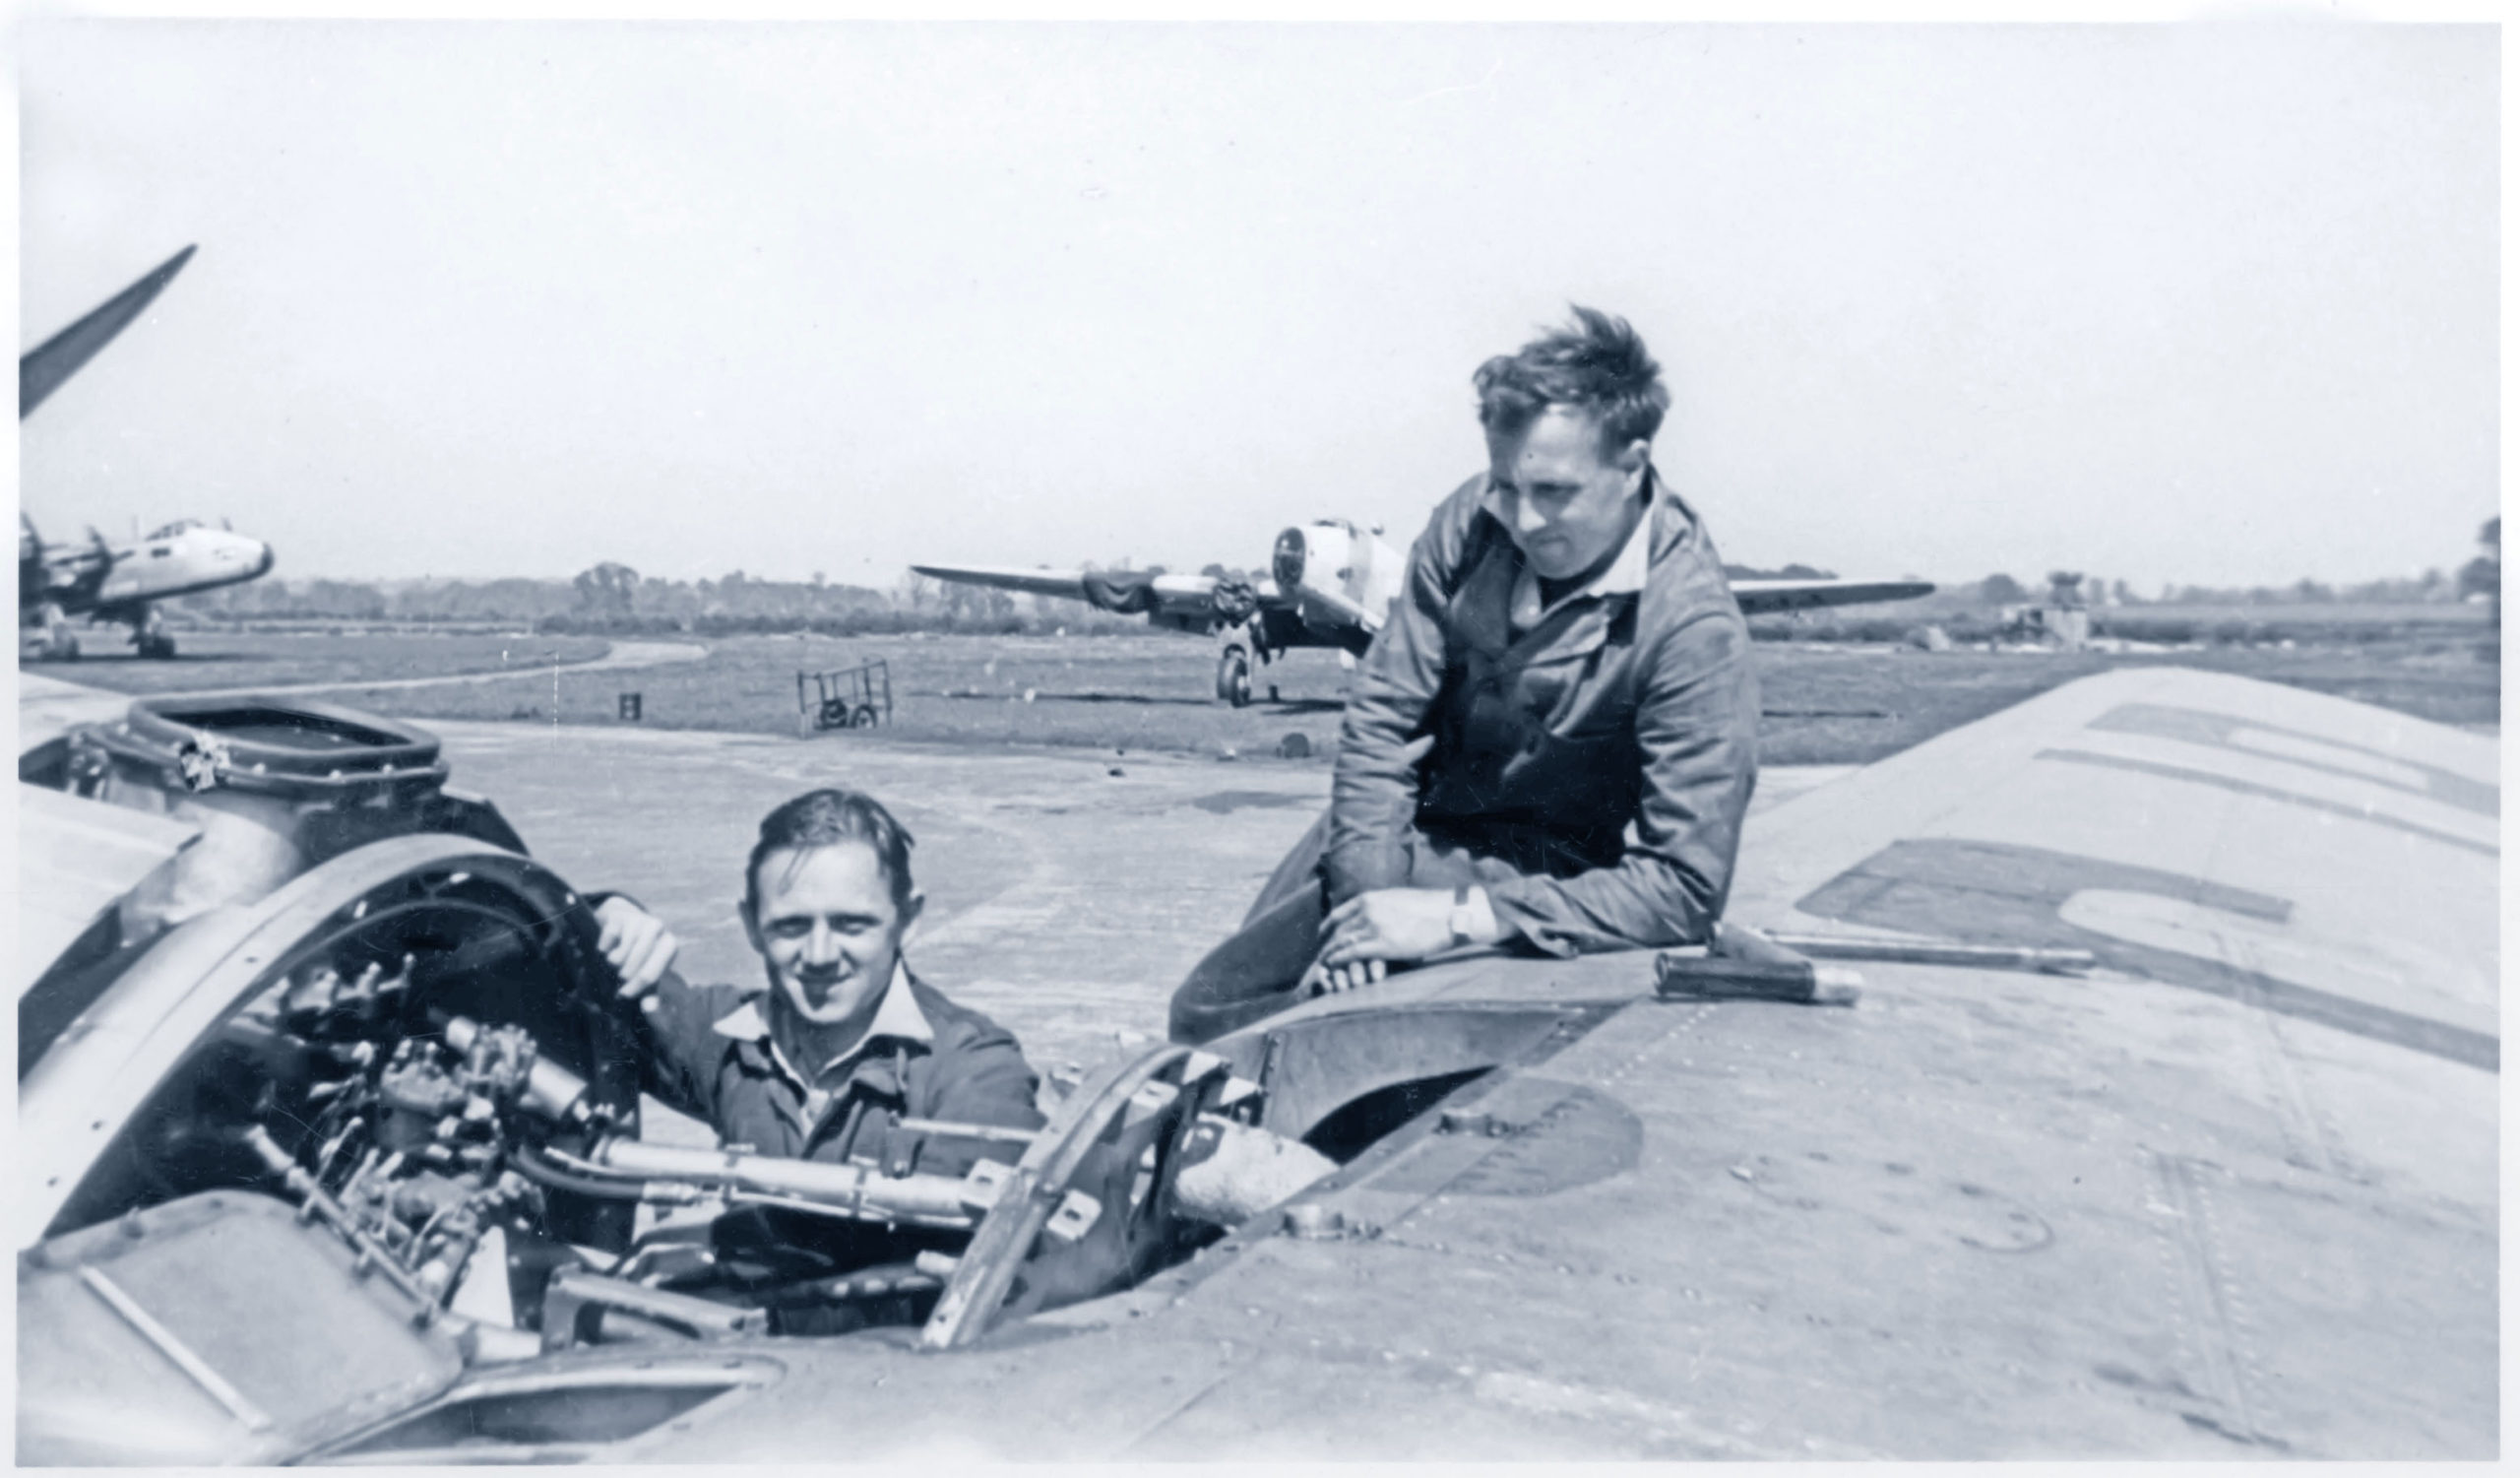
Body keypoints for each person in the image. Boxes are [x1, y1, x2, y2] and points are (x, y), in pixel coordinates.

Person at [1168, 306, 1759, 1044]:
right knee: (1210, 1012)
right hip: (1393, 833)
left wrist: (1453, 921)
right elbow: (1383, 719)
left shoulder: (1694, 629)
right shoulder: (1471, 520)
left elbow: (1683, 888)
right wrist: (1371, 900)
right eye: (1507, 485)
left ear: (1632, 465)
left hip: (1553, 879)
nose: (1523, 518)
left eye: (1555, 494)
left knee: (1323, 1051)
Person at [592, 787, 1046, 1327]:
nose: (820, 955)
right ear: (750, 926)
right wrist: (606, 912)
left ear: (909, 919)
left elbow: (937, 1242)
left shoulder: (974, 1068)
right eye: (791, 926)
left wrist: (717, 1242)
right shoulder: (724, 1036)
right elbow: (545, 963)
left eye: (852, 925)